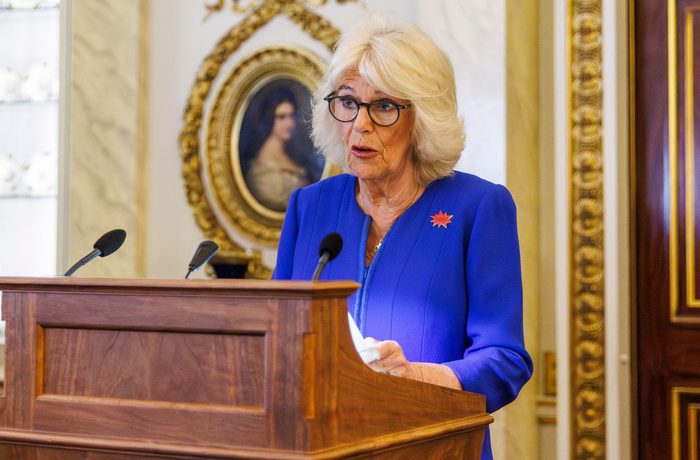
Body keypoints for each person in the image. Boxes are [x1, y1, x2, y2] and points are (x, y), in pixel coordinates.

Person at [273, 14, 532, 459]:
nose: (360, 124)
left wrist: (416, 377)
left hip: (433, 447)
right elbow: (277, 336)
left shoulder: (478, 207)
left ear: (423, 117)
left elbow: (505, 360)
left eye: (384, 107)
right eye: (348, 102)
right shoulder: (308, 206)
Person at [244, 87, 310, 211]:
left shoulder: (291, 153)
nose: (289, 123)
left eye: (291, 115)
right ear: (269, 119)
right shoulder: (265, 167)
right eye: (281, 117)